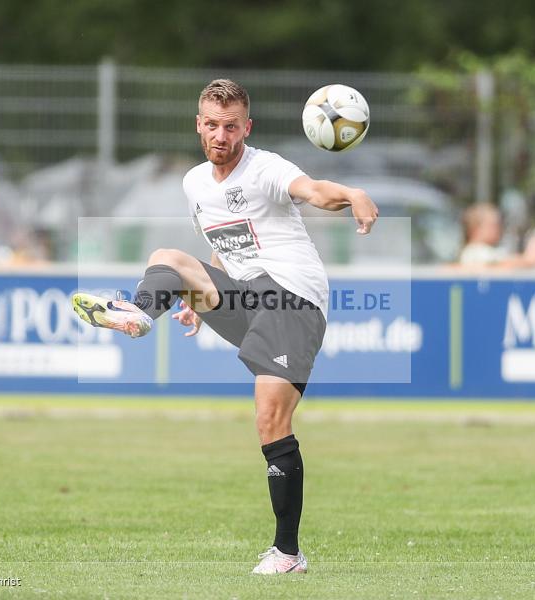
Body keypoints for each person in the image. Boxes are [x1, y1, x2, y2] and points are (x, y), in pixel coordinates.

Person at [72, 79, 378, 574]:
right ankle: (141, 312)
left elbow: (316, 193)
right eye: (212, 125)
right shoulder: (195, 182)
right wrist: (199, 295)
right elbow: (224, 243)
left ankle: (287, 554)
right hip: (246, 296)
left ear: (246, 128)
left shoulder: (266, 169)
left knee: (269, 422)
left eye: (231, 126)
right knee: (168, 257)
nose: (221, 135)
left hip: (292, 298)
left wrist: (352, 192)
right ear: (198, 125)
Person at [458, 202, 535, 269]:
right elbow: (500, 265)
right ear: (475, 229)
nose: (499, 229)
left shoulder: (486, 250)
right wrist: (531, 257)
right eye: (493, 225)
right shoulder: (472, 252)